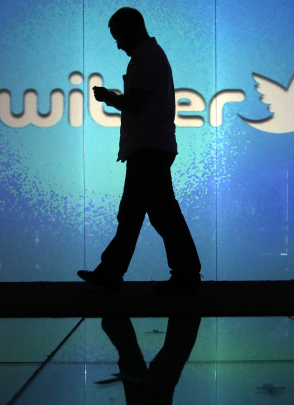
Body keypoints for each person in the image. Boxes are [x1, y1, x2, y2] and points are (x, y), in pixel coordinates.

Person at [77, 7, 201, 293]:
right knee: (134, 215)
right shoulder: (151, 55)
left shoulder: (144, 58)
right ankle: (112, 270)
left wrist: (109, 97)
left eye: (118, 36)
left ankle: (185, 273)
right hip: (150, 147)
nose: (118, 44)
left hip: (147, 148)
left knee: (159, 214)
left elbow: (135, 103)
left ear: (131, 30)